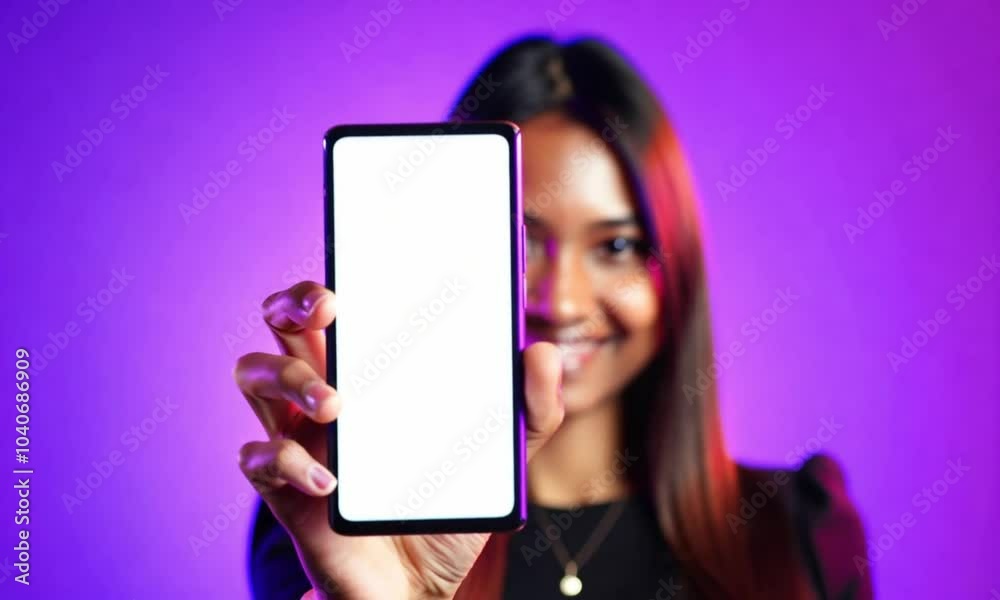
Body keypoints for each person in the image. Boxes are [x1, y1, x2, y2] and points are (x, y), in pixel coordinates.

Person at [234, 35, 872, 599]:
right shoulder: (329, 529)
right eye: (522, 243)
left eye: (615, 246)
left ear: (673, 268)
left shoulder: (798, 532)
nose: (561, 302)